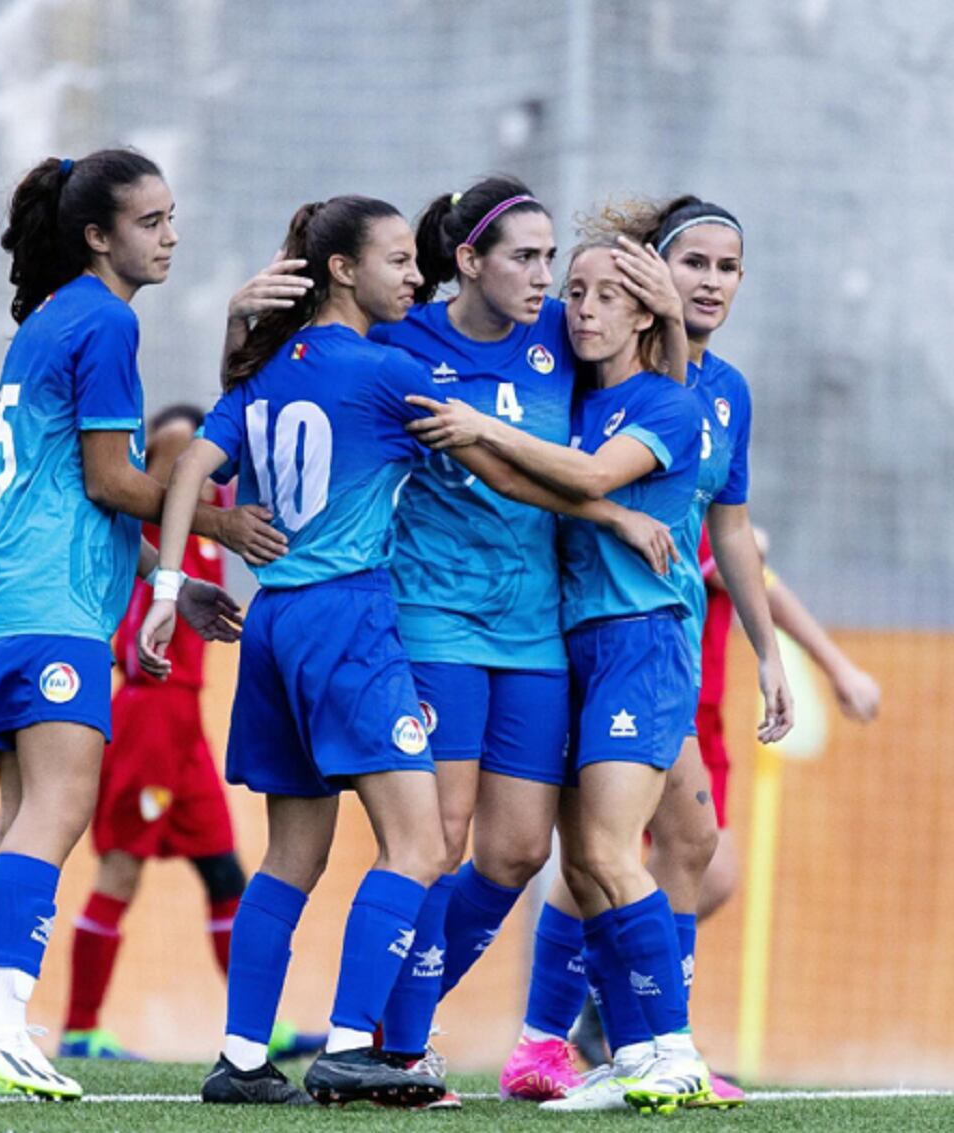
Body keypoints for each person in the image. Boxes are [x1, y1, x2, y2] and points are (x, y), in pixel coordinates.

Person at [407, 209, 793, 1113]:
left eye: (726, 266)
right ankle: (589, 1046)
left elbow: (713, 524)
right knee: (580, 858)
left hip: (645, 638)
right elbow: (521, 440)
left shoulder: (695, 394)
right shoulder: (571, 377)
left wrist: (769, 650)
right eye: (690, 263)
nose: (708, 280)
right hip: (564, 642)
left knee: (649, 847)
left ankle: (662, 1044)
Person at [363, 178, 687, 1103]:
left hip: (537, 628)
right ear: (468, 261)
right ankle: (400, 1046)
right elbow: (318, 363)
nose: (552, 282)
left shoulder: (561, 336)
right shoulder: (408, 337)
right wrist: (241, 334)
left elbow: (654, 384)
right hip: (437, 616)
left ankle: (407, 1024)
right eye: (528, 258)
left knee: (513, 853)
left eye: (555, 260)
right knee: (444, 835)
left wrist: (668, 309)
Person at [0, 148, 246, 1100]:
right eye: (151, 222)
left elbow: (70, 488)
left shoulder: (48, 320)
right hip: (53, 602)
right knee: (62, 810)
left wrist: (164, 576)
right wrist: (212, 523)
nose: (171, 236)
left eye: (171, 215)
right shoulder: (105, 320)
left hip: (7, 598)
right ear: (98, 236)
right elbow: (114, 480)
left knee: (19, 815)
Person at [139, 195, 452, 1108]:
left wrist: (166, 588)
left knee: (290, 857)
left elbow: (189, 468)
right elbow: (485, 458)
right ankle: (353, 1044)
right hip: (347, 618)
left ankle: (240, 1058)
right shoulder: (389, 372)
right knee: (419, 842)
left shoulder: (266, 375)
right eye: (398, 259)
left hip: (271, 622)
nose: (416, 276)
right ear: (343, 270)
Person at [59, 404, 323, 1062]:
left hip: (188, 728)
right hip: (149, 714)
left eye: (199, 457)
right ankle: (80, 1028)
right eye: (174, 457)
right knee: (122, 866)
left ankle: (257, 1025)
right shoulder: (146, 528)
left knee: (225, 870)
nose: (192, 470)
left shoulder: (211, 523)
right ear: (148, 468)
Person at [693, 524, 880, 916]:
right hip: (670, 715)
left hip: (703, 721)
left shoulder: (716, 498)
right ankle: (608, 967)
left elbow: (751, 570)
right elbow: (744, 573)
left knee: (709, 872)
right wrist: (838, 666)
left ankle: (613, 967)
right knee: (612, 863)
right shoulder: (686, 502)